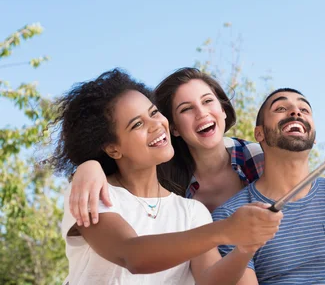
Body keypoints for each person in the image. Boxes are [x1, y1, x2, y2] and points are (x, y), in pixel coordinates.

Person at [52, 69, 282, 284]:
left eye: (154, 113)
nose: (156, 125)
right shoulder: (93, 193)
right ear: (113, 149)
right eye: (137, 124)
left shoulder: (192, 211)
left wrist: (244, 248)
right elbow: (132, 255)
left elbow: (210, 280)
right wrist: (226, 229)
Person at [69, 67, 325, 226]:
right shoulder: (162, 176)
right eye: (186, 109)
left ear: (223, 110)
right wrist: (89, 166)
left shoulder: (258, 156)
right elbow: (120, 186)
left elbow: (307, 193)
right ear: (173, 126)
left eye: (208, 101)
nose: (202, 114)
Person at [212, 88, 325, 284]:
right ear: (259, 133)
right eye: (281, 107)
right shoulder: (230, 217)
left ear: (314, 137)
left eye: (304, 110)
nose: (296, 112)